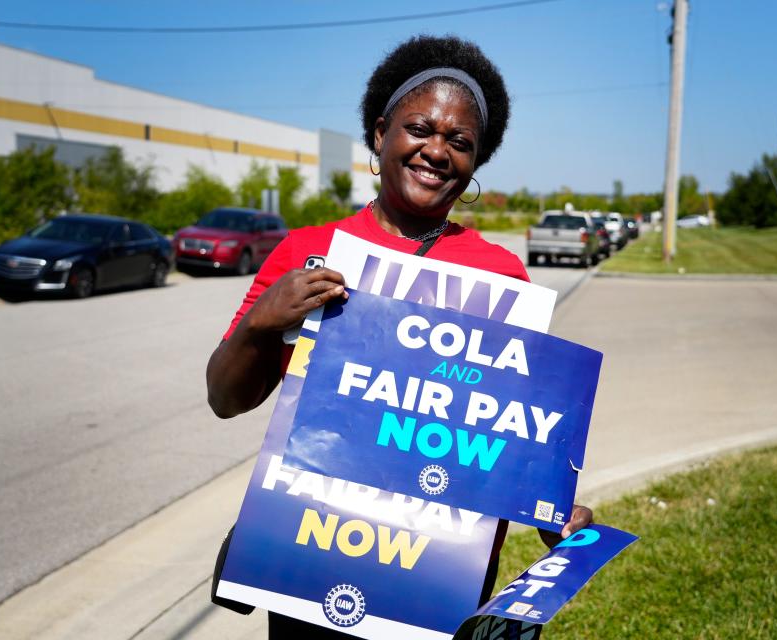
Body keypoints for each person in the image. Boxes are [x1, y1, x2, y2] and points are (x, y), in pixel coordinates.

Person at [206, 34, 593, 639]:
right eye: (419, 129)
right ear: (381, 133)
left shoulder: (500, 276)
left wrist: (550, 507)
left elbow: (506, 429)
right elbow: (225, 399)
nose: (436, 151)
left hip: (437, 576)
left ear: (475, 164)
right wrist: (262, 322)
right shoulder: (308, 251)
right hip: (310, 558)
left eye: (459, 142)